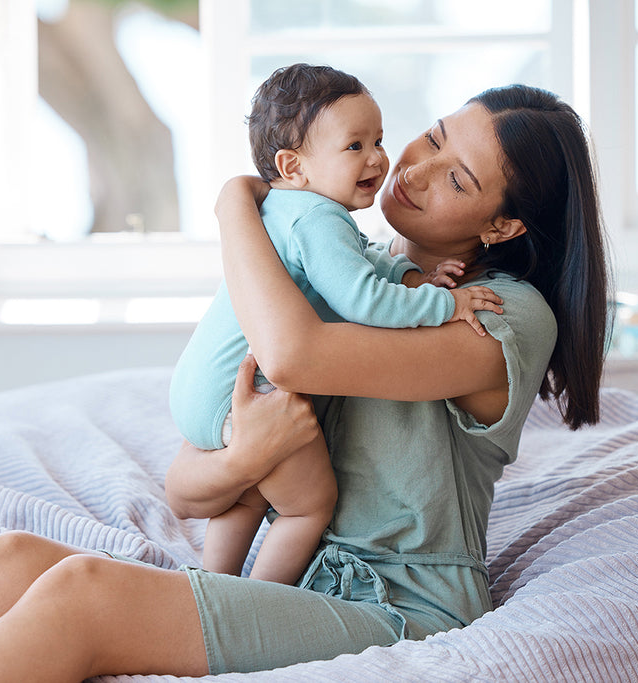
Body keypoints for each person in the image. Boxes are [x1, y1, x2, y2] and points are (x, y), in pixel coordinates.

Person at [0, 83, 610, 682]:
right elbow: (187, 487)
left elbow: (293, 356)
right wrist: (246, 458)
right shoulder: (354, 266)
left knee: (82, 595)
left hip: (395, 604)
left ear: (502, 227)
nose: (411, 169)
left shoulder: (504, 316)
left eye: (457, 176)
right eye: (433, 136)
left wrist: (236, 207)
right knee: (9, 558)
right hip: (291, 570)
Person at [169, 63, 500, 585]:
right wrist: (446, 305)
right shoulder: (320, 219)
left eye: (379, 139)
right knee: (308, 505)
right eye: (355, 146)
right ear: (293, 166)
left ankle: (211, 583)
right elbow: (363, 298)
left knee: (250, 493)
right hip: (250, 390)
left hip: (202, 387)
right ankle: (253, 601)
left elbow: (363, 263)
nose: (380, 159)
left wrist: (415, 279)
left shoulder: (282, 210)